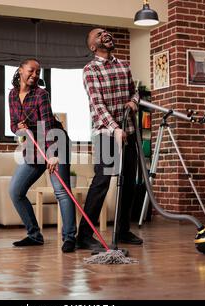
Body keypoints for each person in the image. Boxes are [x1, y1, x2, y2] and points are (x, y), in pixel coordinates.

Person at [76, 28, 143, 250]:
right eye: (98, 34)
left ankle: (123, 230)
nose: (105, 34)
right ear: (93, 47)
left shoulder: (124, 65)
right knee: (102, 182)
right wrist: (114, 128)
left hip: (129, 132)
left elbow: (135, 92)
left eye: (106, 32)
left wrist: (134, 101)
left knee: (129, 184)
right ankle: (84, 235)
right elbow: (97, 106)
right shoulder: (90, 70)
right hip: (106, 135)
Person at [8, 58, 77, 253]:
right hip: (34, 145)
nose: (35, 75)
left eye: (38, 72)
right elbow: (13, 125)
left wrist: (54, 154)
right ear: (20, 70)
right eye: (31, 71)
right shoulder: (13, 95)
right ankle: (34, 235)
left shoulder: (41, 94)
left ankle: (70, 237)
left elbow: (48, 125)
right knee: (15, 191)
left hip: (55, 142)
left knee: (61, 192)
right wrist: (19, 128)